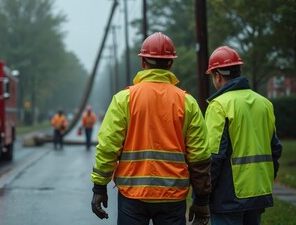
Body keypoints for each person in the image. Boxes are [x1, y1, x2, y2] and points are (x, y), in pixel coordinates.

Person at [90, 32, 212, 225]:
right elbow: (200, 156)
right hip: (173, 195)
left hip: (132, 194)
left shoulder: (124, 99)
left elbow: (108, 147)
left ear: (143, 63)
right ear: (171, 64)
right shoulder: (187, 102)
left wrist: (99, 187)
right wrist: (202, 200)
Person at [204, 46, 283, 225]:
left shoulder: (219, 106)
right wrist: (265, 181)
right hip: (258, 193)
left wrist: (202, 196)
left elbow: (213, 157)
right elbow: (275, 149)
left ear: (217, 75)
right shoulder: (265, 104)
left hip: (228, 197)